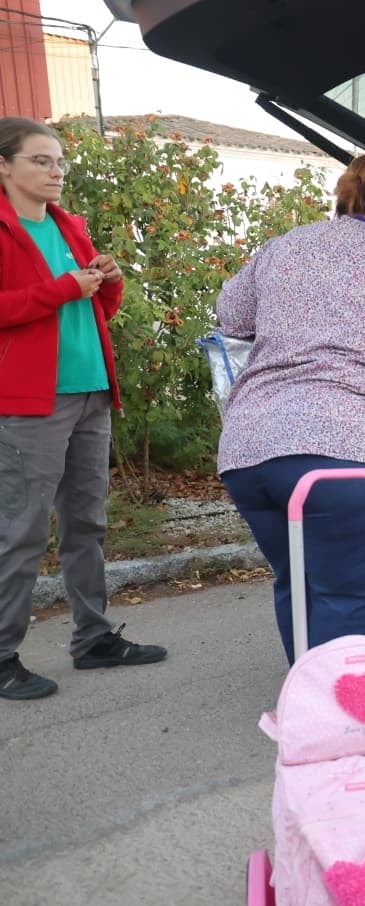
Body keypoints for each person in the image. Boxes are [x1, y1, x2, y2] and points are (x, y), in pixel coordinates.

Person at [216, 151, 365, 664]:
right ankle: (351, 726)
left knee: (299, 584)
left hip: (251, 451)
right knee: (350, 601)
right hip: (344, 457)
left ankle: (312, 708)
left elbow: (231, 316)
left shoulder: (284, 247)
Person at [0, 117, 168, 701]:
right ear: (5, 166)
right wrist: (64, 288)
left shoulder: (71, 226)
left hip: (91, 392)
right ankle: (1, 656)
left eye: (59, 161)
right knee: (21, 532)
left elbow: (96, 309)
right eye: (40, 160)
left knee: (86, 524)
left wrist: (107, 280)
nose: (56, 171)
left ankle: (93, 639)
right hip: (29, 403)